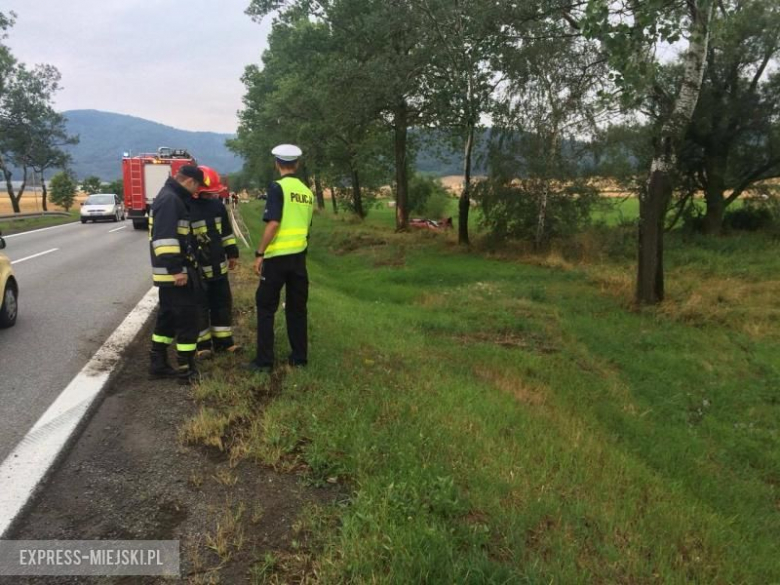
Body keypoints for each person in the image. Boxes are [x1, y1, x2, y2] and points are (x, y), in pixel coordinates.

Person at [248, 144, 314, 373]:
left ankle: (264, 361)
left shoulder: (277, 188)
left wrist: (260, 253)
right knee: (297, 309)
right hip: (299, 259)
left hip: (276, 259)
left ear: (277, 164)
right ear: (297, 164)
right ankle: (299, 358)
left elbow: (274, 223)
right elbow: (306, 227)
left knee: (266, 307)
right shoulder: (307, 192)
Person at [148, 165, 205, 384]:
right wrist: (177, 270)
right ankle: (186, 370)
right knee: (187, 320)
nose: (197, 191)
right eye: (197, 186)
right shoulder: (171, 200)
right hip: (175, 274)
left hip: (169, 275)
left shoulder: (170, 197)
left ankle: (158, 363)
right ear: (190, 181)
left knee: (168, 319)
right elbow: (164, 239)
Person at [190, 165, 241, 357]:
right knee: (199, 306)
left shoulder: (218, 206)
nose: (211, 195)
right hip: (198, 270)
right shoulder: (186, 207)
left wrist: (232, 253)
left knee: (222, 303)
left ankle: (224, 342)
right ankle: (203, 346)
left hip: (218, 266)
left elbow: (226, 233)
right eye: (208, 193)